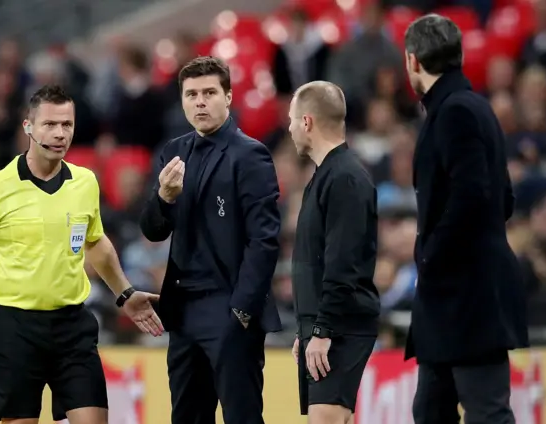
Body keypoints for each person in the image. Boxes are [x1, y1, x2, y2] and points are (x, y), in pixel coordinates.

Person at [0, 85, 164, 424]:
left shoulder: (85, 183)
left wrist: (124, 293)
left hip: (72, 326)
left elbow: (96, 242)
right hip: (15, 327)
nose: (60, 133)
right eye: (50, 124)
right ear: (28, 127)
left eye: (67, 124)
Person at [139, 56, 282, 424]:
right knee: (186, 416)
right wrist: (163, 198)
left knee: (242, 415)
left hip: (228, 305)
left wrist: (242, 311)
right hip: (184, 308)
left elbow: (264, 240)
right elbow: (152, 230)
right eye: (191, 95)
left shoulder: (250, 155)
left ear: (229, 96)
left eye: (209, 93)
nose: (199, 102)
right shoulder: (173, 151)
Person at [403, 15, 529, 424]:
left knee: (486, 411)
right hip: (453, 295)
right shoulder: (472, 107)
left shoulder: (454, 111)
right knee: (431, 410)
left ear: (413, 61)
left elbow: (474, 198)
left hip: (467, 293)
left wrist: (433, 253)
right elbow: (503, 199)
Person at [288, 80, 380, 424]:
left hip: (340, 326)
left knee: (326, 419)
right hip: (326, 325)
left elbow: (343, 262)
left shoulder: (344, 178)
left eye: (293, 120)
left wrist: (322, 330)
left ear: (307, 122)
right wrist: (308, 327)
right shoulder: (327, 175)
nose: (290, 128)